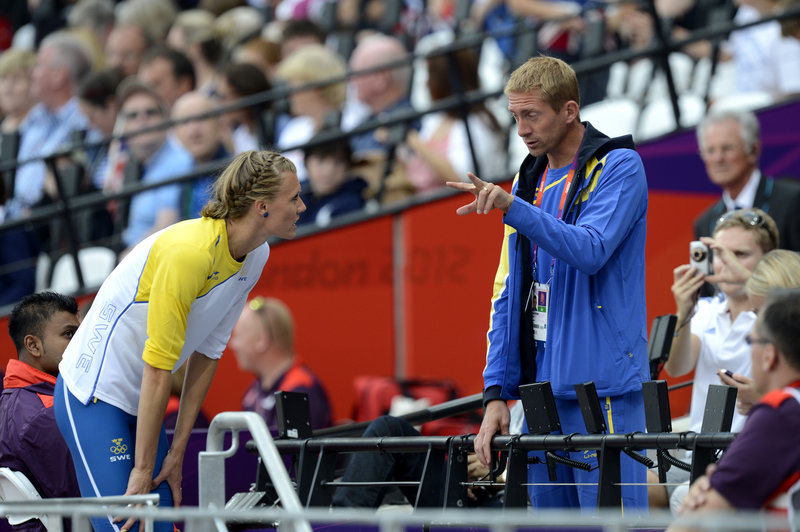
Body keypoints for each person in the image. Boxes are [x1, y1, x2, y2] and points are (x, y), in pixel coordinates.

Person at [54, 150, 306, 532]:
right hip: (92, 395)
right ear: (262, 207)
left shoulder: (257, 255)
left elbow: (209, 353)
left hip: (142, 400)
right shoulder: (188, 254)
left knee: (162, 528)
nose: (302, 206)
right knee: (127, 527)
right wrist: (143, 469)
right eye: (294, 198)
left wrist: (176, 452)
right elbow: (158, 369)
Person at [446, 56, 649, 510]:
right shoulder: (528, 177)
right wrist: (496, 394)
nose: (521, 130)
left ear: (569, 110)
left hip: (602, 387)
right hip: (539, 391)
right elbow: (507, 293)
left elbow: (591, 249)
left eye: (532, 115)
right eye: (515, 116)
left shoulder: (619, 166)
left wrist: (512, 208)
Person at [650, 208, 779, 512]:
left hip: (749, 452)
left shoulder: (778, 312)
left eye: (740, 254)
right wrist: (684, 312)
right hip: (695, 451)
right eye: (720, 254)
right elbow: (677, 367)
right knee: (630, 487)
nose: (727, 263)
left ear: (767, 260)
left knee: (687, 500)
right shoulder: (707, 309)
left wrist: (755, 285)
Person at [668, 288, 800, 531]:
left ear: (769, 355)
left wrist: (710, 492)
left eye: (750, 341)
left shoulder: (780, 413)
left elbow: (697, 521)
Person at [0, 292, 81, 531]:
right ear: (33, 345)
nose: (81, 343)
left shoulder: (15, 401)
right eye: (69, 334)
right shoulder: (46, 414)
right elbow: (84, 503)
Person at [398, 45, 505, 193]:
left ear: (445, 81)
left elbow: (462, 180)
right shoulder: (436, 118)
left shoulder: (477, 125)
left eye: (431, 76)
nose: (426, 83)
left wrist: (413, 141)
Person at [9, 31, 91, 218]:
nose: (32, 73)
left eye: (38, 65)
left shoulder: (83, 120)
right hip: (13, 216)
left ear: (58, 76)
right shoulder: (35, 115)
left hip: (48, 222)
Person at [693, 110, 800, 251]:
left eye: (727, 148)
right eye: (710, 150)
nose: (718, 158)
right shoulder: (705, 223)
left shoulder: (792, 201)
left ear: (753, 150)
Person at [230, 296, 332, 436]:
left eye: (237, 336)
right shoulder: (253, 392)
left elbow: (292, 450)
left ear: (262, 340)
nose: (232, 345)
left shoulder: (299, 392)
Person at [116, 79, 193, 249]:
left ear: (165, 119)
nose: (142, 120)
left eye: (150, 113)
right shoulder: (143, 164)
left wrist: (126, 258)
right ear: (124, 127)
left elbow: (165, 228)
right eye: (133, 116)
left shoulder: (175, 160)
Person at [275, 44, 348, 182]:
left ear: (318, 88)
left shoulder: (352, 123)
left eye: (294, 88)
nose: (290, 95)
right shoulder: (294, 129)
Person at [171, 91, 231, 219]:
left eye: (202, 118)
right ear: (176, 133)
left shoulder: (237, 174)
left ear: (220, 125)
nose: (194, 130)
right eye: (185, 121)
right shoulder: (183, 179)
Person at [297, 132, 367, 227]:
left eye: (338, 162)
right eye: (321, 160)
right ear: (306, 163)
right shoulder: (292, 193)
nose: (328, 172)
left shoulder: (351, 203)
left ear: (347, 167)